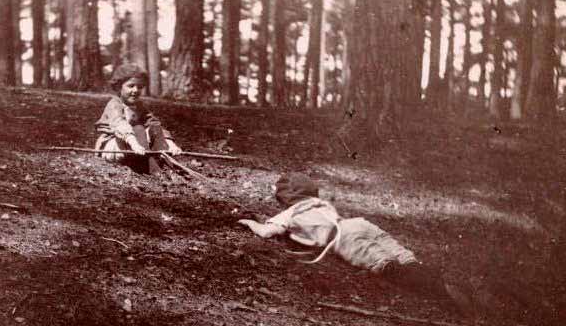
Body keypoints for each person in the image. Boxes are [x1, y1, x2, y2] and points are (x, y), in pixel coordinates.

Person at [238, 173, 469, 310]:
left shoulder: (290, 213)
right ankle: (422, 269)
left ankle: (435, 287)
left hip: (342, 237)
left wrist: (252, 224)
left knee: (384, 264)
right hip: (357, 223)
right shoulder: (320, 204)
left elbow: (268, 232)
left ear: (285, 199)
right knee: (396, 251)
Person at [94, 64, 182, 174]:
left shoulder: (139, 106)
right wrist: (134, 144)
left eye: (139, 87)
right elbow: (120, 124)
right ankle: (152, 168)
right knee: (139, 128)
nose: (136, 90)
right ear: (118, 87)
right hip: (114, 146)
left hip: (138, 148)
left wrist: (170, 144)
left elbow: (153, 122)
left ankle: (166, 162)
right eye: (131, 86)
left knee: (154, 127)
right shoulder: (114, 104)